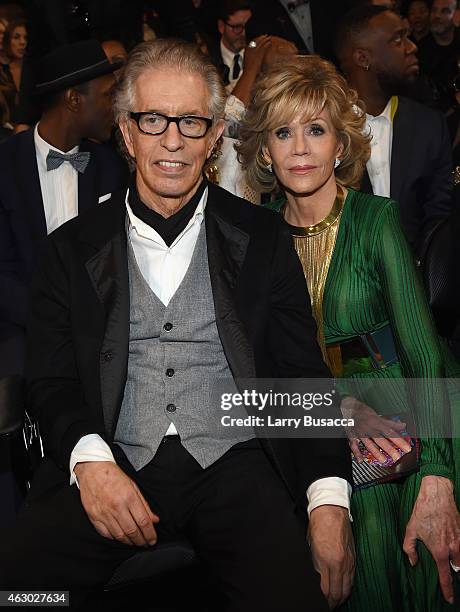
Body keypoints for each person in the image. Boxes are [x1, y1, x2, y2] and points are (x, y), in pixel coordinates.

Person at [0, 39, 354, 611]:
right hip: (115, 456)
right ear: (125, 131)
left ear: (216, 134)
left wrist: (330, 501)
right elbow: (52, 380)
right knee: (17, 592)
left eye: (191, 121)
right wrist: (91, 463)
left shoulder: (262, 241)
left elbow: (301, 379)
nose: (171, 140)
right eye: (153, 119)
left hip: (236, 463)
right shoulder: (68, 250)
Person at [237, 54, 460, 611]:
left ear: (341, 144)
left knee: (383, 511)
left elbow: (424, 355)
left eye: (316, 130)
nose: (300, 148)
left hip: (402, 421)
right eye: (283, 133)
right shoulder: (252, 239)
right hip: (310, 419)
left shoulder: (376, 220)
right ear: (264, 150)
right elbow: (255, 369)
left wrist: (437, 475)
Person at [0, 39, 129, 379]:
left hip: (96, 334)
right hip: (21, 329)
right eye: (108, 95)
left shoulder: (110, 167)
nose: (116, 107)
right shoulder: (5, 165)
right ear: (74, 100)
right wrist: (54, 321)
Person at [336, 5, 453, 256]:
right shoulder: (324, 129)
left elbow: (439, 219)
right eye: (398, 39)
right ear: (363, 58)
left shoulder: (430, 127)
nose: (412, 47)